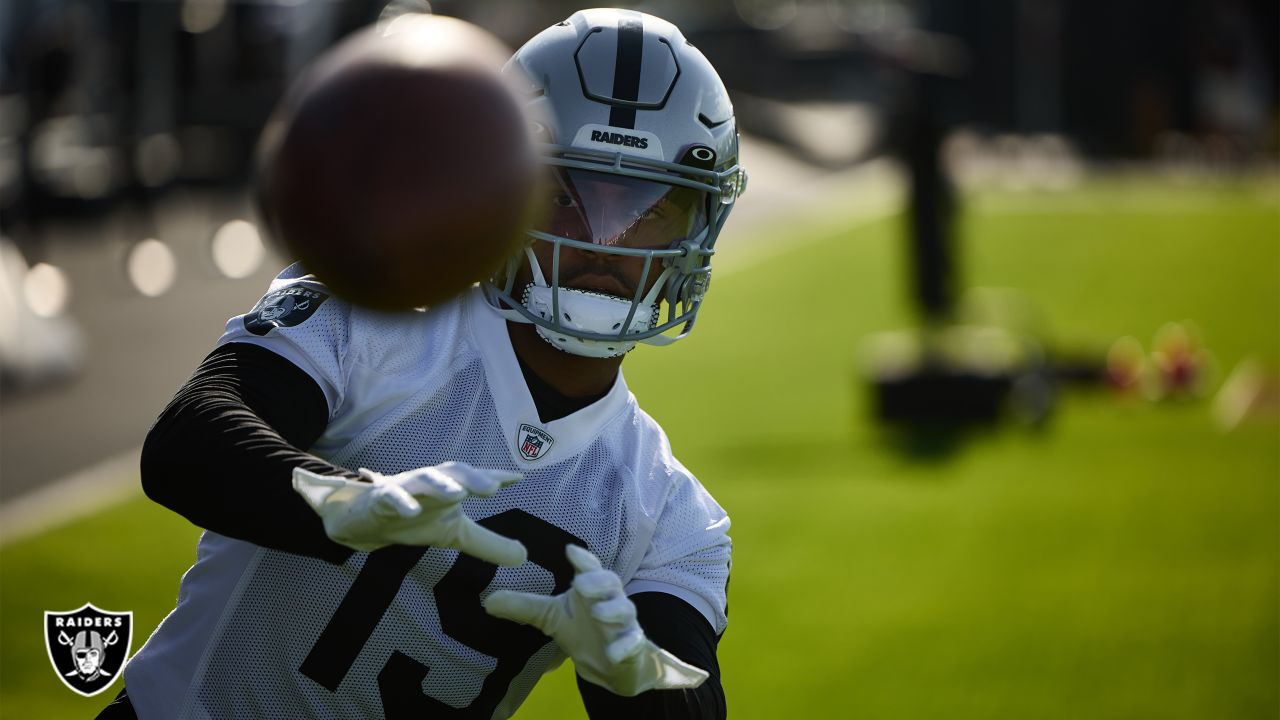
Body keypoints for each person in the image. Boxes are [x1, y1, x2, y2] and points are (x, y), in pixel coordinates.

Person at [105, 8, 746, 719]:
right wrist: (342, 503)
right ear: (501, 190)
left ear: (700, 229)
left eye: (651, 207)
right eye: (568, 195)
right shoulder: (380, 313)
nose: (604, 240)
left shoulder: (668, 514)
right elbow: (187, 443)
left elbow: (689, 698)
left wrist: (632, 681)